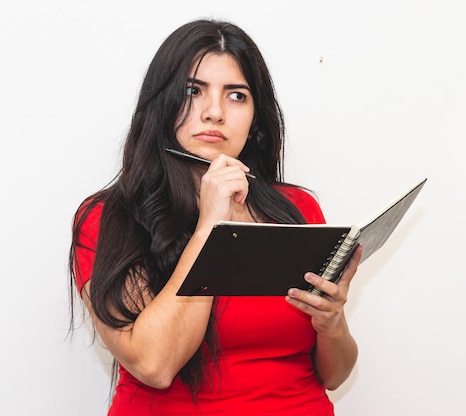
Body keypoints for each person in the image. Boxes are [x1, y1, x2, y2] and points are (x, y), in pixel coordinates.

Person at [69, 18, 363, 416]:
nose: (214, 112)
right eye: (193, 91)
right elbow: (154, 364)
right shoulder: (107, 218)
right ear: (162, 105)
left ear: (256, 119)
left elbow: (335, 375)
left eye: (236, 96)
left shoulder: (297, 209)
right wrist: (211, 227)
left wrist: (332, 325)